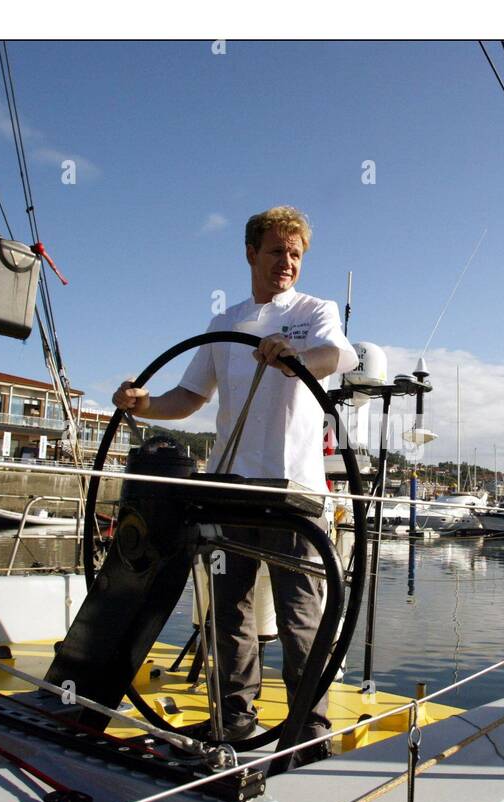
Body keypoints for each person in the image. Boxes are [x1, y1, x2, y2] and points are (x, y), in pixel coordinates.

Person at [113, 206, 357, 758]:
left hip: (293, 492)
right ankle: (233, 726)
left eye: (295, 254)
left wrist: (296, 355)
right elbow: (190, 396)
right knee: (229, 615)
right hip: (230, 490)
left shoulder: (313, 311)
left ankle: (308, 737)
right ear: (251, 253)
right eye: (276, 251)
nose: (286, 262)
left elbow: (337, 355)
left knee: (301, 619)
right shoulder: (226, 323)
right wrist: (143, 404)